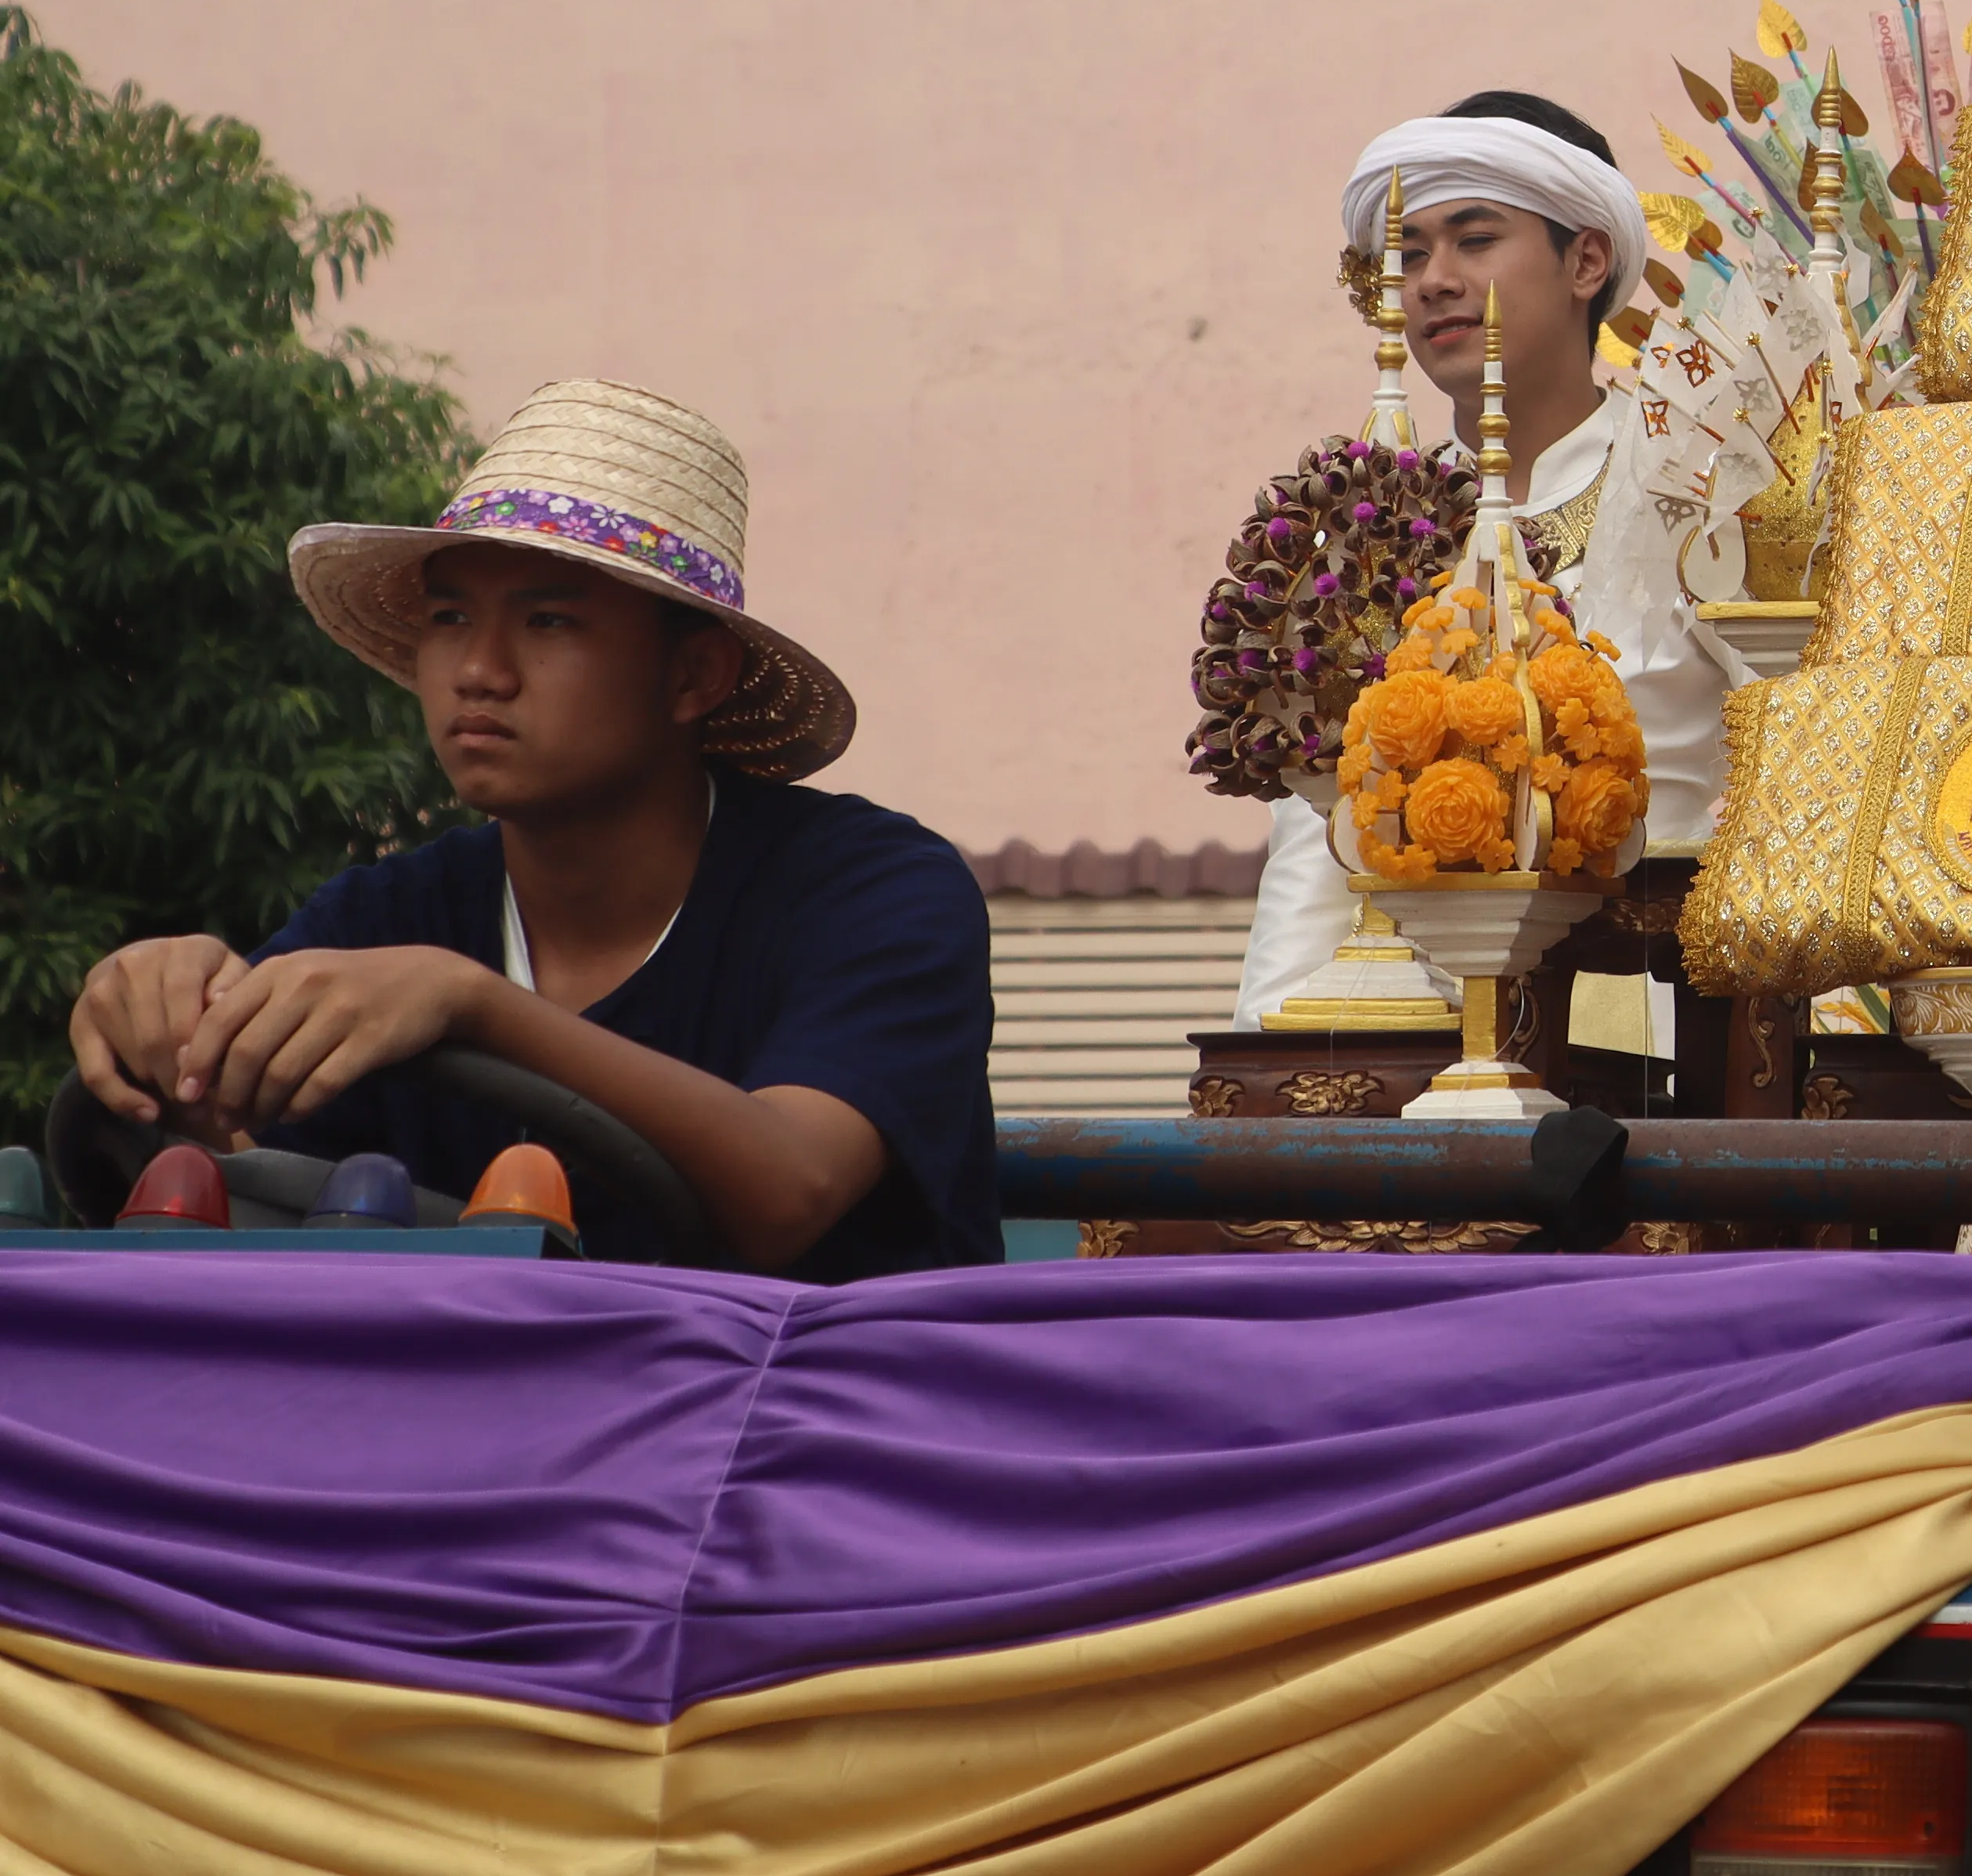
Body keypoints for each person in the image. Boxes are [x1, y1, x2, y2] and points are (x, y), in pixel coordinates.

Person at [65, 380, 995, 1276]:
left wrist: (472, 1006)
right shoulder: (387, 915)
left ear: (693, 677)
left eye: (548, 619)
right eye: (449, 616)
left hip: (818, 1422)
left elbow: (791, 1188)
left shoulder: (874, 889)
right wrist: (161, 1022)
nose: (479, 670)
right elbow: (236, 1171)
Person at [1225, 91, 1741, 1030]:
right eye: (1410, 254)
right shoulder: (1374, 534)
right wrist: (1276, 1060)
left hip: (1667, 1045)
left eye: (1474, 239)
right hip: (1413, 1041)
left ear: (1587, 259)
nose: (1432, 280)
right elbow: (1318, 837)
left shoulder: (1704, 488)